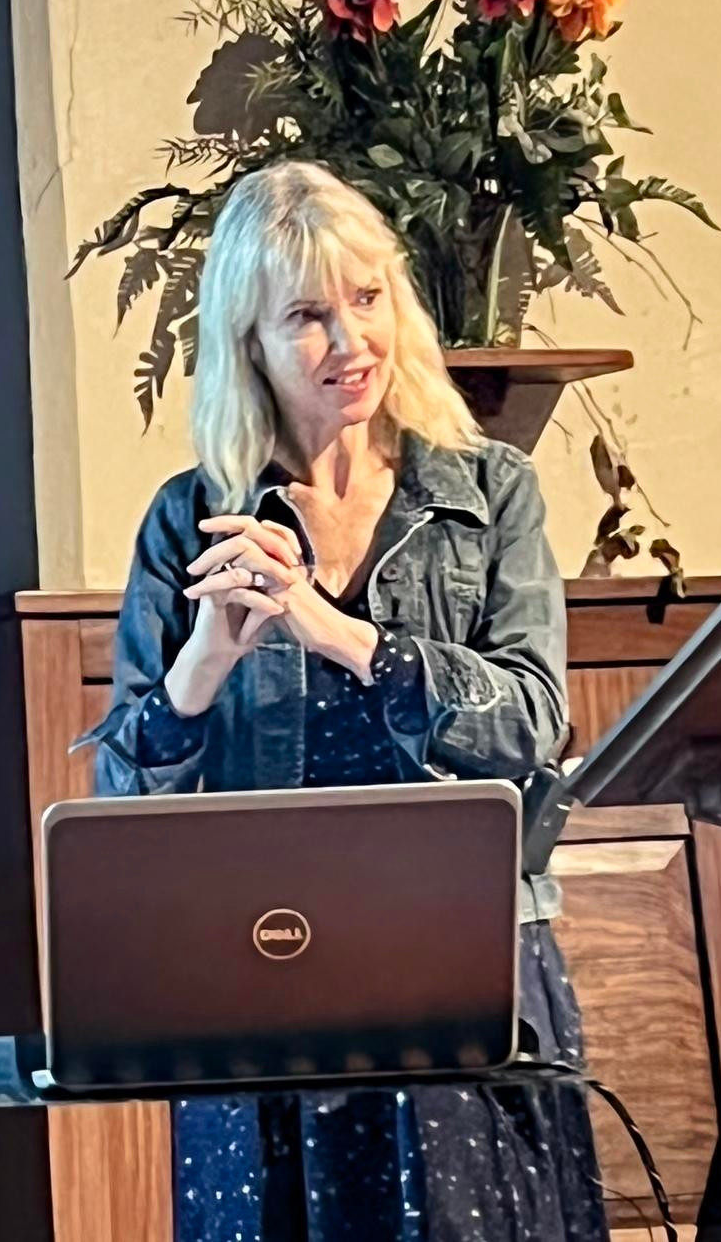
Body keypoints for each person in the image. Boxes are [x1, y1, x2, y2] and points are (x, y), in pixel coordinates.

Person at [85, 160, 608, 1241]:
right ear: (253, 343)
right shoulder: (189, 523)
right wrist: (206, 664)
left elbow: (532, 723)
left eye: (367, 299)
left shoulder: (488, 493)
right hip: (267, 979)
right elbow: (121, 795)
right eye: (311, 316)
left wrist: (342, 636)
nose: (352, 341)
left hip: (461, 965)